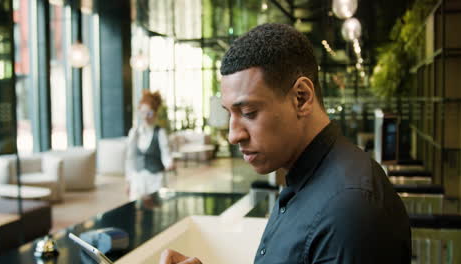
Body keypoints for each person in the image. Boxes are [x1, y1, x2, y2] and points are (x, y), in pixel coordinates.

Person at [160, 23, 411, 264]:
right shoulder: (304, 179)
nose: (233, 135)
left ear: (301, 98)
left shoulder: (350, 210)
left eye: (248, 112)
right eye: (229, 114)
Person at [126, 90, 174, 201]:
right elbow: (129, 159)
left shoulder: (160, 133)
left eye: (149, 113)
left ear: (155, 114)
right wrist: (128, 181)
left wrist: (169, 163)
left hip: (155, 180)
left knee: (155, 212)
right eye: (142, 113)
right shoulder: (134, 133)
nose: (146, 117)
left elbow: (165, 154)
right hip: (137, 180)